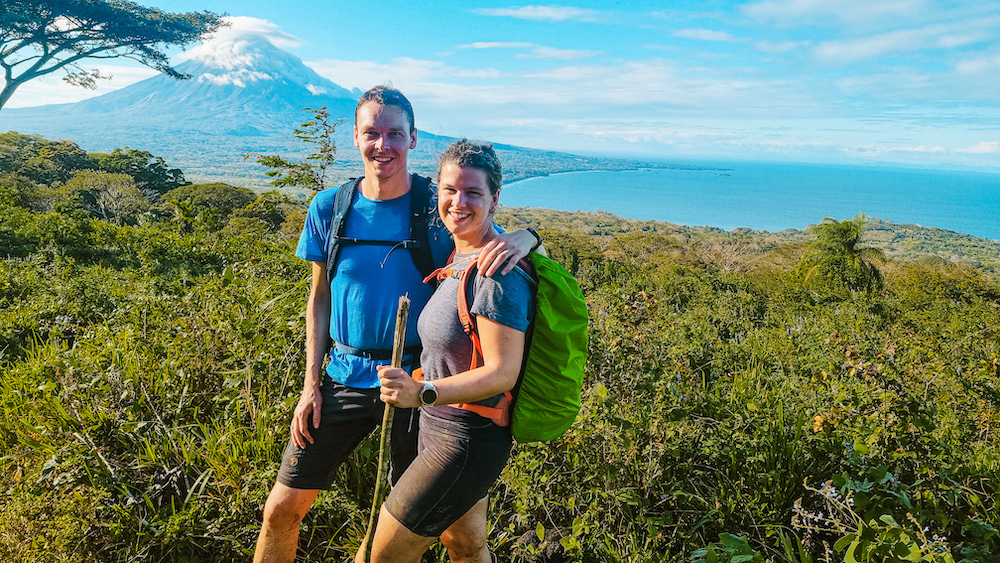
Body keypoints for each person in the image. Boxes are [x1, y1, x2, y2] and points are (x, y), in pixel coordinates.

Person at [253, 88, 541, 563]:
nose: (382, 145)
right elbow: (319, 298)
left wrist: (528, 238)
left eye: (394, 134)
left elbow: (487, 239)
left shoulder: (436, 203)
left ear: (412, 139)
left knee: (450, 536)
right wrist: (310, 385)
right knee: (282, 508)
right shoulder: (330, 207)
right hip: (342, 379)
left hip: (418, 385)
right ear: (356, 137)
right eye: (372, 133)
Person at [367, 140, 536, 563]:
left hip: (464, 439)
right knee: (464, 545)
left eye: (473, 193)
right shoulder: (461, 254)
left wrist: (420, 393)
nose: (458, 202)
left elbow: (501, 372)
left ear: (495, 198)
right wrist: (532, 235)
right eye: (449, 190)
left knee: (379, 556)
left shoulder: (498, 272)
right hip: (439, 428)